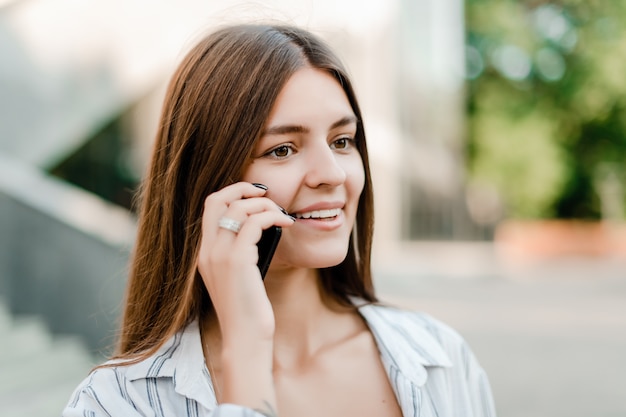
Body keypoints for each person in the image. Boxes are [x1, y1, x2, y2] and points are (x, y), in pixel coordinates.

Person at [63, 23, 496, 417]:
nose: (332, 174)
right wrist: (246, 351)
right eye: (282, 149)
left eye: (342, 141)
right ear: (209, 179)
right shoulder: (115, 402)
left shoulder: (438, 357)